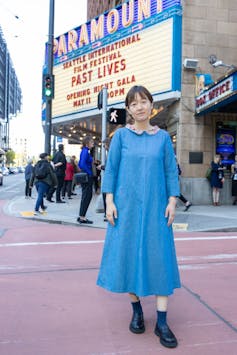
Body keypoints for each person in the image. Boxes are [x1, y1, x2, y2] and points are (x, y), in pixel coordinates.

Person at [97, 85, 180, 349]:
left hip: (158, 208)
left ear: (151, 105)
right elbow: (111, 170)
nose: (139, 107)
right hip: (126, 208)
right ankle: (137, 311)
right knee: (128, 255)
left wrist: (172, 201)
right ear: (128, 110)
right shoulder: (121, 136)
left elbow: (170, 171)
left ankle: (163, 323)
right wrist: (109, 201)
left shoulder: (163, 138)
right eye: (133, 104)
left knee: (160, 257)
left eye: (143, 101)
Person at [77, 136, 94, 224]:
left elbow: (81, 164)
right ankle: (82, 217)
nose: (93, 144)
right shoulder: (85, 151)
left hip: (86, 175)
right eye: (92, 142)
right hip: (87, 176)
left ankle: (81, 215)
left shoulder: (85, 151)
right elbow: (82, 164)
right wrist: (89, 172)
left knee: (86, 196)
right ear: (87, 143)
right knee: (87, 196)